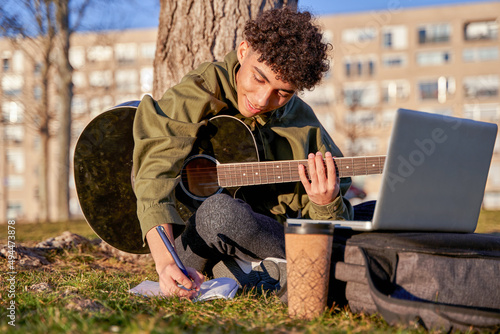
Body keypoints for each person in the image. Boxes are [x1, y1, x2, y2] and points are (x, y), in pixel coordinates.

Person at [132, 7, 353, 299]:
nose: (263, 100)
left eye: (283, 92)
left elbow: (323, 229)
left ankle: (258, 274)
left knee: (369, 215)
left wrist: (325, 202)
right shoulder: (200, 90)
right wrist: (165, 263)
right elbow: (154, 173)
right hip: (189, 241)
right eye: (259, 78)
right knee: (217, 212)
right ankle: (278, 275)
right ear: (243, 51)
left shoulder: (305, 127)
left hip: (266, 237)